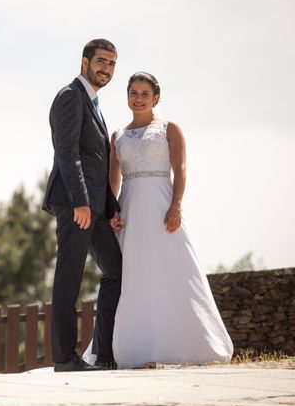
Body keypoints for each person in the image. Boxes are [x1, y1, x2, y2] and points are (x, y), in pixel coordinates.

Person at [84, 71, 233, 368]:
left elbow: (181, 169)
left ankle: (189, 343)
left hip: (162, 205)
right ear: (127, 97)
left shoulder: (169, 129)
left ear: (156, 98)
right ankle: (130, 347)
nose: (138, 99)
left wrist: (176, 206)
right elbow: (114, 183)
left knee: (175, 267)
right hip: (130, 210)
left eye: (144, 94)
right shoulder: (117, 136)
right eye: (133, 93)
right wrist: (113, 212)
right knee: (132, 273)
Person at [42, 39, 123, 371]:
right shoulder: (69, 96)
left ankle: (104, 353)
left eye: (112, 63)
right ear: (84, 61)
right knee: (69, 278)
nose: (106, 68)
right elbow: (68, 153)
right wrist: (80, 202)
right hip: (75, 205)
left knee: (117, 270)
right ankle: (64, 358)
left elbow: (96, 162)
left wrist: (112, 205)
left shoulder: (95, 103)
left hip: (95, 207)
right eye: (101, 61)